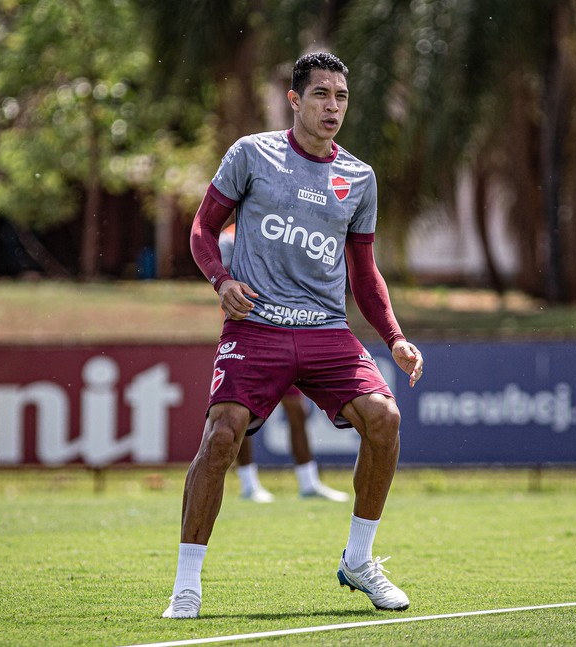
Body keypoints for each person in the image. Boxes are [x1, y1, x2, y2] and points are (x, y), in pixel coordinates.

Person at [162, 52, 424, 619]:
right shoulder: (251, 154)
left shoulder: (358, 177)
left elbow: (365, 271)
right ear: (295, 100)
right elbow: (203, 227)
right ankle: (186, 585)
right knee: (222, 436)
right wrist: (221, 279)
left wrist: (395, 337)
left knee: (385, 419)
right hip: (256, 326)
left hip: (327, 331)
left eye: (342, 97)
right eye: (322, 95)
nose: (334, 107)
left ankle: (359, 561)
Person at [219, 222, 350, 504]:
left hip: (288, 330)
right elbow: (227, 280)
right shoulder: (230, 237)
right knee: (239, 414)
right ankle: (248, 483)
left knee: (296, 409)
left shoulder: (281, 226)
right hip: (250, 334)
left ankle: (308, 481)